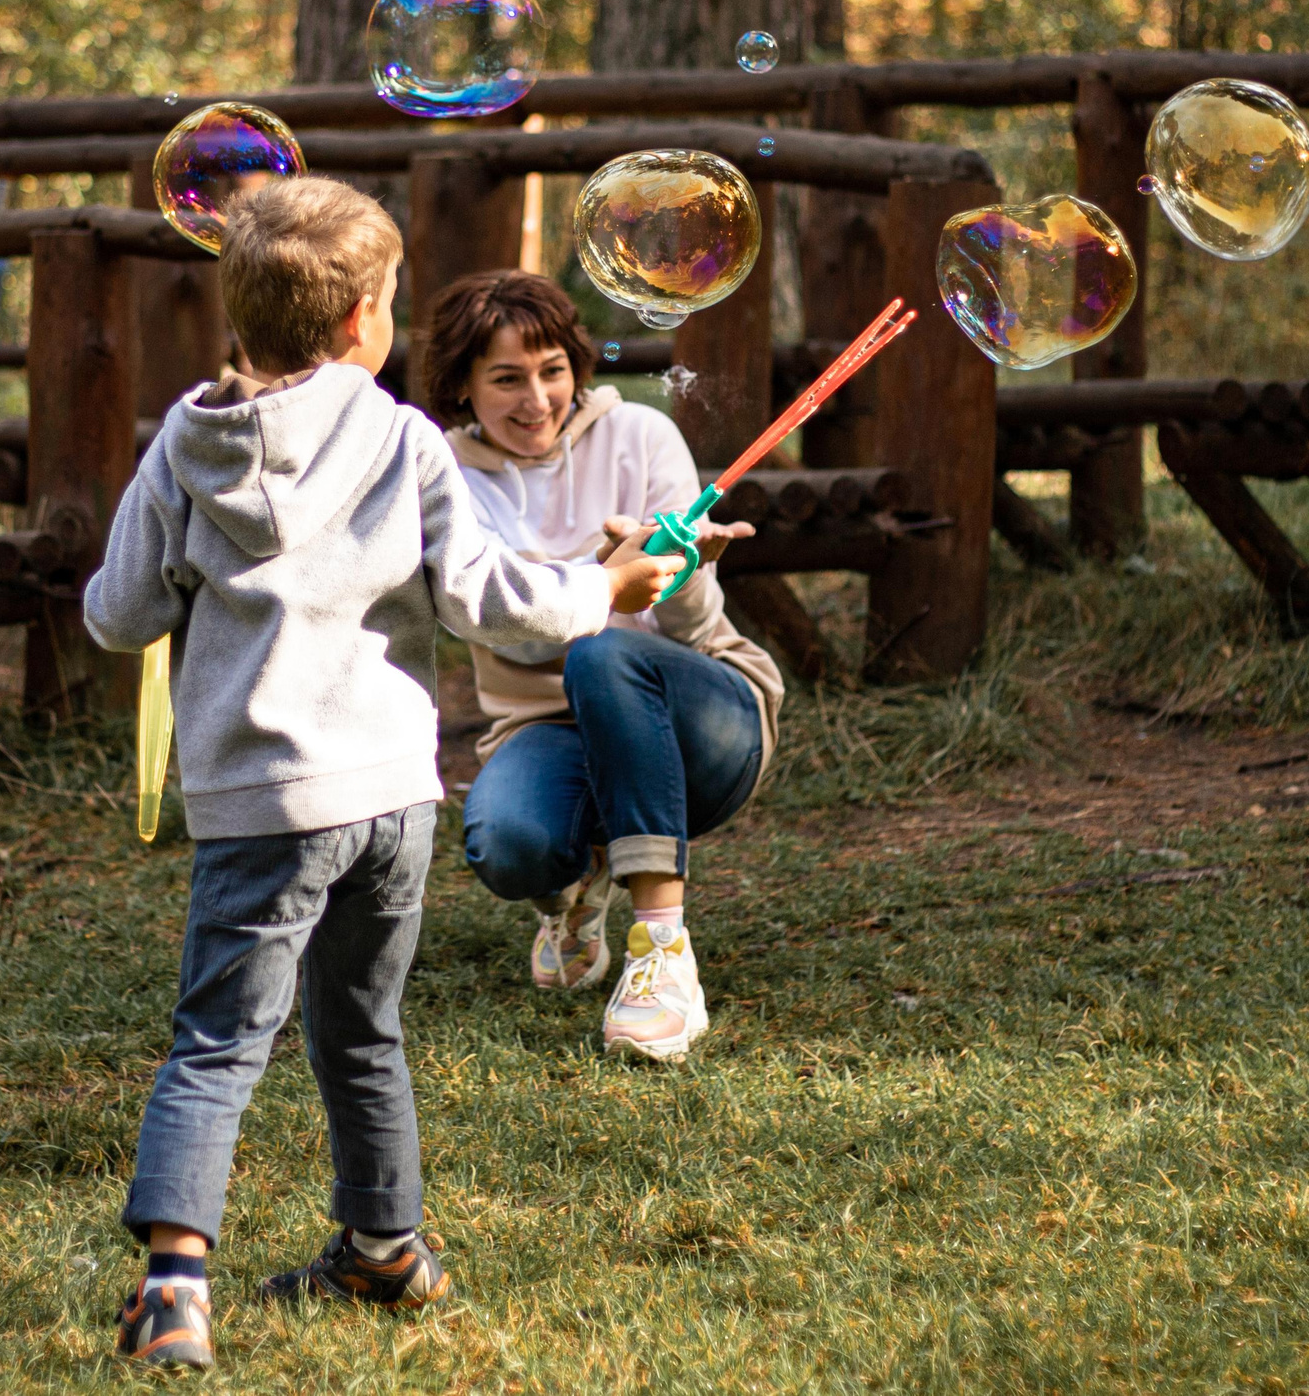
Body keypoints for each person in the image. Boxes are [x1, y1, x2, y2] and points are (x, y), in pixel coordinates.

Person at [83, 178, 679, 1370]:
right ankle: (386, 1246)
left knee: (218, 1040)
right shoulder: (402, 437)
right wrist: (599, 593)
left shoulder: (183, 443)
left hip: (262, 806)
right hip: (393, 799)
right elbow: (491, 598)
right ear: (364, 317)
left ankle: (174, 1289)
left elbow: (115, 614)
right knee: (362, 1031)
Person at [423, 272, 785, 1064]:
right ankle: (576, 888)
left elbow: (688, 632)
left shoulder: (645, 438)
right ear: (461, 385)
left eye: (551, 370)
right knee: (508, 842)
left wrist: (683, 573)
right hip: (547, 725)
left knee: (607, 652)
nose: (537, 399)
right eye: (507, 378)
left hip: (704, 713)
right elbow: (503, 630)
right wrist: (604, 574)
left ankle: (663, 954)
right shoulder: (444, 482)